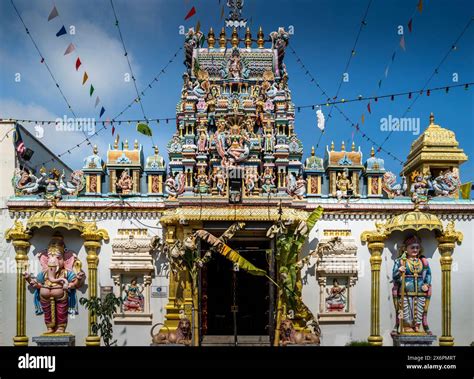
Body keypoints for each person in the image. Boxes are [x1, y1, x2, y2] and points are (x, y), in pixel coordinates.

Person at [24, 233, 85, 333]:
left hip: (61, 297)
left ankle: (61, 327)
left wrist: (76, 280)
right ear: (45, 259)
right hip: (44, 298)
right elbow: (37, 284)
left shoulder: (66, 273)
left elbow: (75, 284)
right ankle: (49, 327)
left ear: (66, 259)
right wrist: (29, 279)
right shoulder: (44, 274)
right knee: (47, 312)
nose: (53, 260)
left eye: (58, 258)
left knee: (61, 311)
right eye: (50, 257)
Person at [392, 235, 432, 334]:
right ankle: (407, 326)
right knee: (406, 309)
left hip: (420, 289)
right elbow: (394, 276)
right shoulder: (401, 261)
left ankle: (417, 325)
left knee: (419, 308)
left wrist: (427, 284)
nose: (415, 249)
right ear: (406, 249)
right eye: (412, 247)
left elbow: (428, 274)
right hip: (405, 289)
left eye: (417, 247)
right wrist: (399, 271)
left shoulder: (423, 262)